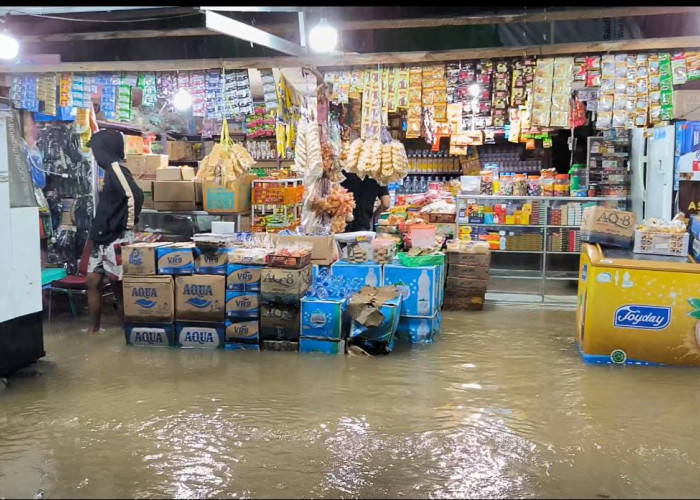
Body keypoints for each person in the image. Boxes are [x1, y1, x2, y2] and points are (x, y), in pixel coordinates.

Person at [86, 130, 144, 333]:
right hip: (101, 238)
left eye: (95, 150)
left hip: (116, 238)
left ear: (104, 150)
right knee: (92, 281)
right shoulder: (109, 172)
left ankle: (126, 332)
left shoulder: (117, 169)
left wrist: (126, 225)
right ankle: (94, 329)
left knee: (119, 287)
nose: (94, 155)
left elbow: (135, 196)